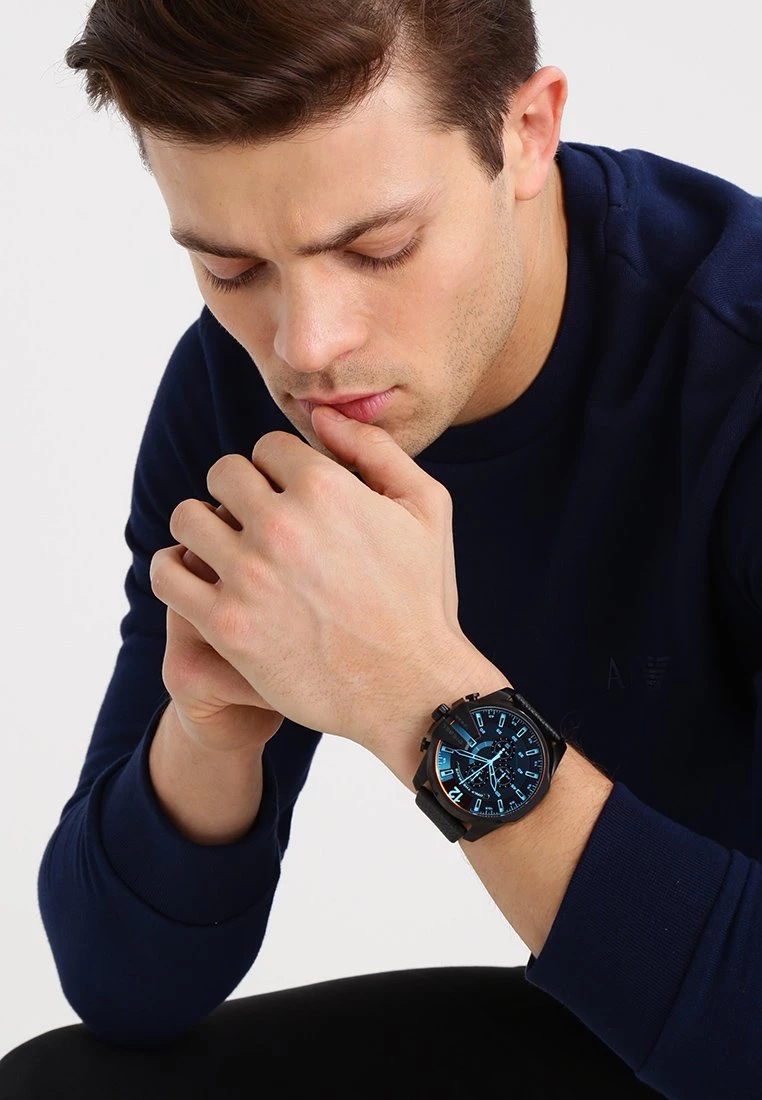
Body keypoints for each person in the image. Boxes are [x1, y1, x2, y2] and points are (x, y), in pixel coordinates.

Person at [1, 0, 760, 1096]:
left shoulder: (736, 362)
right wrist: (208, 732)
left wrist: (426, 700)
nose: (307, 346)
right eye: (232, 270)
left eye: (377, 247)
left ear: (527, 133)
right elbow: (126, 990)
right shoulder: (239, 398)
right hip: (631, 1013)